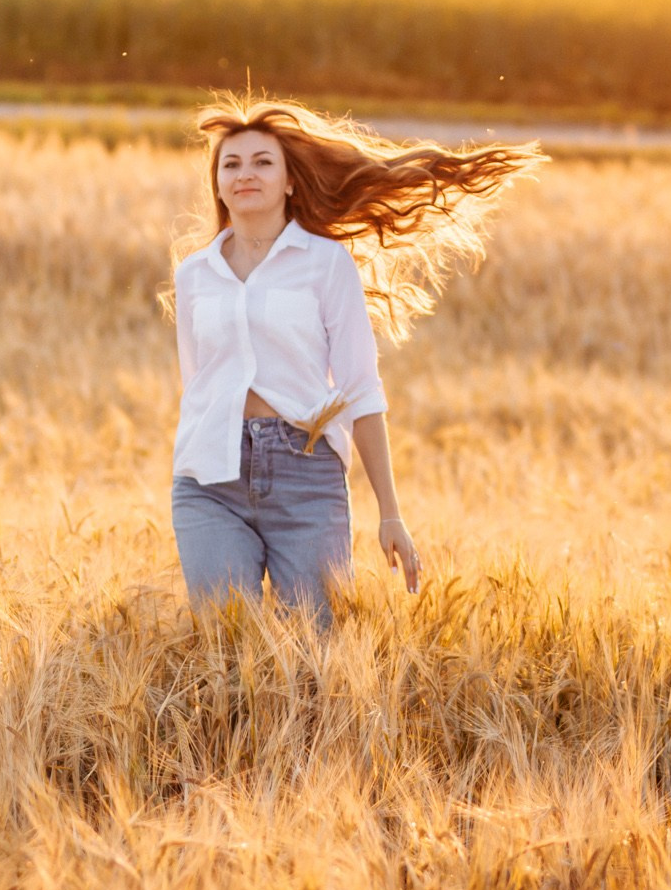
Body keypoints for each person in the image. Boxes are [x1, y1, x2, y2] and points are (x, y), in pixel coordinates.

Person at [168, 97, 545, 626]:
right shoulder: (194, 275)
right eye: (230, 164)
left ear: (290, 182)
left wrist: (390, 512)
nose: (245, 173)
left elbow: (361, 390)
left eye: (262, 162)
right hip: (211, 478)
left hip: (305, 474)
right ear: (218, 184)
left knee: (314, 645)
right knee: (226, 642)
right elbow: (198, 382)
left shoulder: (327, 264)